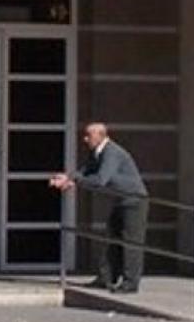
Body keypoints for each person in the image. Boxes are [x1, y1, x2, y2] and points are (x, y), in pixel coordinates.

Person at [50, 122, 148, 293]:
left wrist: (76, 181)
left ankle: (130, 283)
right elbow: (86, 170)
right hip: (119, 200)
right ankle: (106, 278)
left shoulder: (111, 153)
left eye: (89, 135)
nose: (85, 139)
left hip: (134, 201)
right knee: (112, 239)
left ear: (100, 136)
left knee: (131, 243)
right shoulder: (97, 153)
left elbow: (101, 179)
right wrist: (68, 178)